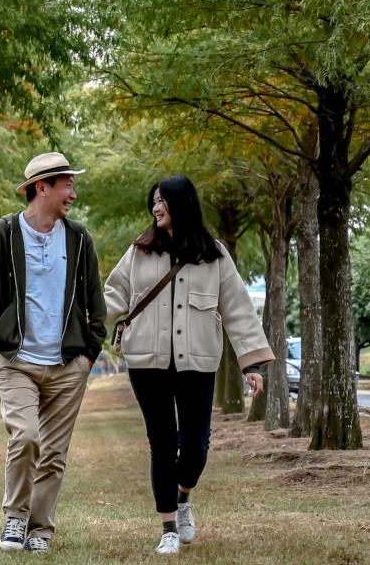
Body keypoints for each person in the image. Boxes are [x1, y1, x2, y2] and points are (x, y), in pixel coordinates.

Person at [104, 175, 275, 555]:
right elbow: (113, 294)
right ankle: (168, 528)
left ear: (182, 204)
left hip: (197, 362)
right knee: (162, 444)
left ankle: (184, 498)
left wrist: (253, 364)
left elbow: (238, 309)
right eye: (153, 201)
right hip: (147, 363)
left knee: (196, 445)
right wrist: (82, 327)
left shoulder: (213, 254)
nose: (155, 207)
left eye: (162, 200)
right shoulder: (140, 250)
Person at [0, 152, 106, 554]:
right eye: (67, 185)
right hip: (16, 362)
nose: (73, 193)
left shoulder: (79, 238)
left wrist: (89, 354)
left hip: (68, 365)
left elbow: (94, 301)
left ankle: (40, 532)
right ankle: (15, 519)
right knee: (27, 437)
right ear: (42, 187)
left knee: (54, 452)